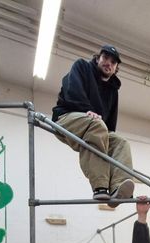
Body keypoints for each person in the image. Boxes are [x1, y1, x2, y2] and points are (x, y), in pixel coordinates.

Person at [52, 44, 134, 205]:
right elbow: (72, 91)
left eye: (113, 62)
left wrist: (108, 138)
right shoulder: (82, 67)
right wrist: (86, 110)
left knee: (120, 142)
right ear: (98, 58)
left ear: (116, 68)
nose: (108, 63)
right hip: (67, 117)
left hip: (94, 127)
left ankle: (118, 188)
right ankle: (99, 186)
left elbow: (110, 121)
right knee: (97, 125)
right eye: (105, 58)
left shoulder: (112, 90)